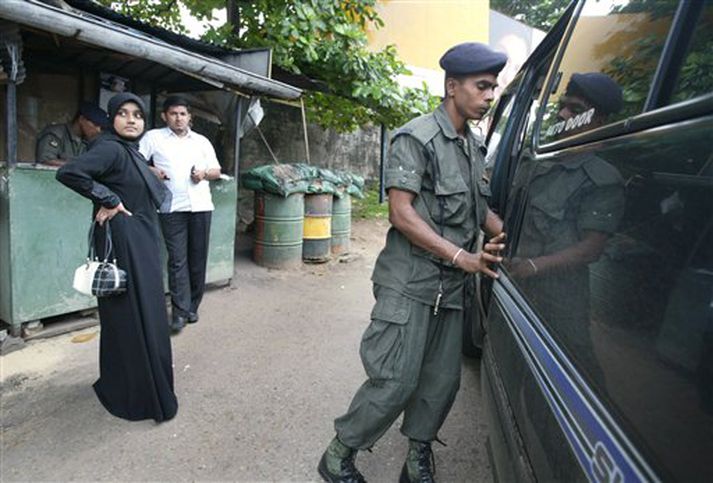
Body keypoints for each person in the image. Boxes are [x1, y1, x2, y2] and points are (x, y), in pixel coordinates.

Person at [318, 42, 508, 483]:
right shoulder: (416, 137)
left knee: (442, 383)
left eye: (493, 87)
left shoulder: (472, 146)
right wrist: (463, 256)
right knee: (395, 381)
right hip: (409, 282)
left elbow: (481, 210)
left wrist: (508, 235)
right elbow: (401, 214)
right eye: (482, 86)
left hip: (453, 287)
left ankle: (417, 456)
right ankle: (338, 453)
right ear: (451, 86)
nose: (489, 95)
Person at [56, 93, 178, 423]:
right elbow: (69, 173)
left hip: (140, 238)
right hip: (124, 241)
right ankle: (135, 394)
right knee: (130, 316)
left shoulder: (131, 152)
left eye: (137, 114)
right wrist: (107, 198)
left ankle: (137, 386)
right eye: (122, 113)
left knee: (145, 314)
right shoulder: (109, 147)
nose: (131, 119)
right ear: (112, 119)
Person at [139, 96, 222, 333]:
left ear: (189, 117)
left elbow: (217, 170)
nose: (178, 118)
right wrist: (153, 170)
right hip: (171, 207)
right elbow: (136, 161)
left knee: (197, 259)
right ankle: (179, 312)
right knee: (177, 260)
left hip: (200, 206)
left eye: (182, 114)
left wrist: (203, 174)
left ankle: (193, 306)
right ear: (165, 116)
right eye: (173, 114)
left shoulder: (201, 141)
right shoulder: (153, 137)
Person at [36, 102, 109, 166]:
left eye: (101, 127)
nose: (98, 130)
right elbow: (45, 161)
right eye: (95, 124)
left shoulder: (89, 141)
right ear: (81, 119)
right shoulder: (56, 134)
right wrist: (78, 165)